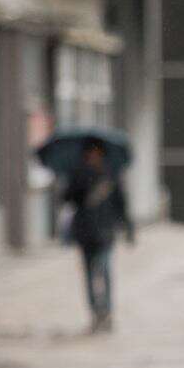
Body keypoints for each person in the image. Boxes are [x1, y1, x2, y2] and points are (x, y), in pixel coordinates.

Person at [63, 138, 133, 333]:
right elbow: (67, 198)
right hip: (85, 232)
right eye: (90, 152)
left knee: (103, 270)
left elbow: (121, 202)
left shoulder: (111, 174)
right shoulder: (78, 173)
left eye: (97, 152)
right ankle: (95, 312)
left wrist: (128, 227)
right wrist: (80, 184)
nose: (93, 155)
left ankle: (107, 311)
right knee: (88, 273)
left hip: (105, 230)